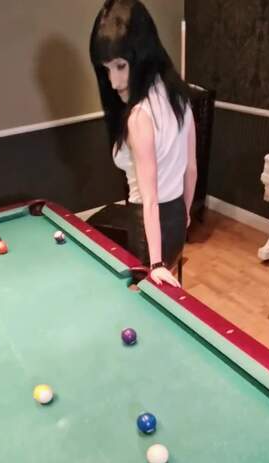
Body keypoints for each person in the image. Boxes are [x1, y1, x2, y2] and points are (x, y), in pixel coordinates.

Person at [89, 0, 197, 287]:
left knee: (145, 293)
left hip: (148, 226)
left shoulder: (139, 116)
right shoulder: (180, 97)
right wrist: (185, 215)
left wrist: (155, 263)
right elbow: (191, 169)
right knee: (163, 293)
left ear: (143, 52)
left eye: (121, 66)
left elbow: (150, 199)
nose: (114, 82)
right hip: (176, 216)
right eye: (106, 69)